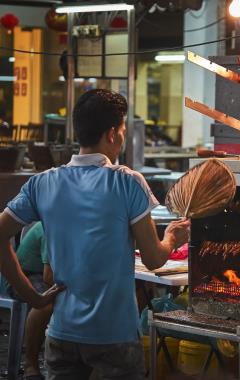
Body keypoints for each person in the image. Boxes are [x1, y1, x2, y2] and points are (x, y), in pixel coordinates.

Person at [0, 89, 190, 380]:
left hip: (62, 334)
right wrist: (173, 237)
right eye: (123, 130)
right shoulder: (127, 182)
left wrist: (33, 297)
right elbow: (153, 259)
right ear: (112, 134)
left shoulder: (43, 184)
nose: (123, 137)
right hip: (114, 338)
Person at [7, 222, 53, 380]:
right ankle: (30, 365)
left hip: (44, 273)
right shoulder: (53, 227)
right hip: (23, 277)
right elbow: (49, 277)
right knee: (47, 303)